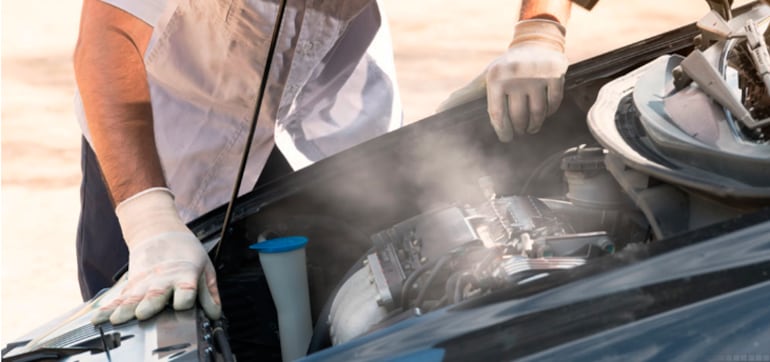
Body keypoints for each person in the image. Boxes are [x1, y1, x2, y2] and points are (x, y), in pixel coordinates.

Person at [73, 0, 584, 326]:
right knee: (159, 316)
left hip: (324, 92)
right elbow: (107, 33)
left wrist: (540, 29)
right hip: (158, 146)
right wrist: (147, 222)